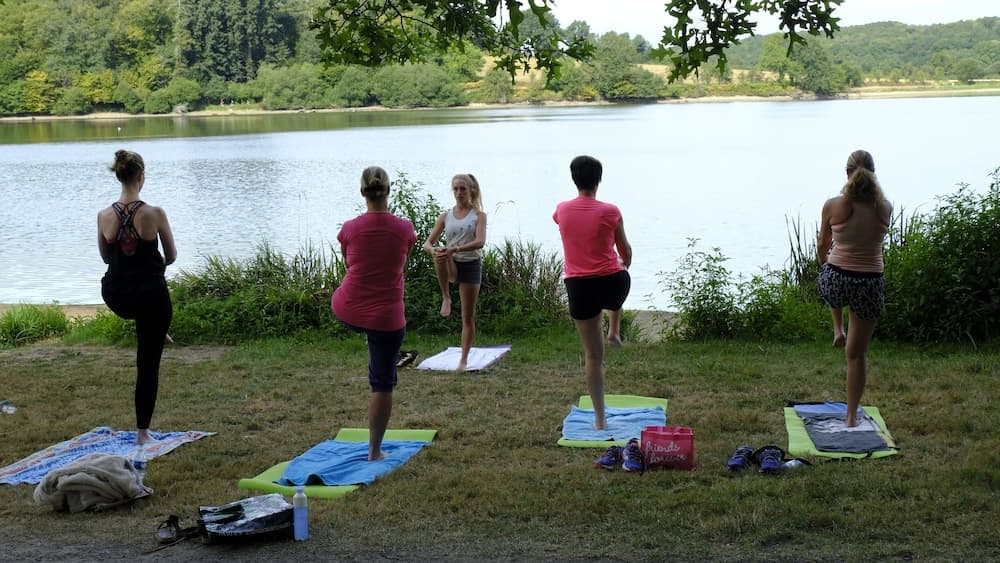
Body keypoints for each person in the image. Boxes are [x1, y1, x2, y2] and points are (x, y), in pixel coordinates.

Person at [332, 166, 417, 460]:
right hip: (385, 318)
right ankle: (374, 451)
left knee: (376, 339)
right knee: (382, 383)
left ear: (361, 192)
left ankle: (376, 345)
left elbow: (348, 262)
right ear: (388, 190)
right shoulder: (404, 228)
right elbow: (401, 256)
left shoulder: (349, 228)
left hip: (346, 308)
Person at [98, 149, 176, 445]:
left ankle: (157, 329)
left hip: (115, 294)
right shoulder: (154, 213)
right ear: (141, 177)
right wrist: (154, 262)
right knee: (147, 364)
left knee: (146, 306)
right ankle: (143, 433)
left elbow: (106, 257)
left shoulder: (104, 215)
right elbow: (171, 255)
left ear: (119, 176)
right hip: (148, 296)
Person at [553, 155, 632, 430]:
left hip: (579, 286)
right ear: (599, 180)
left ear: (574, 179)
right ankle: (614, 329)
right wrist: (624, 261)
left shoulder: (561, 210)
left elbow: (561, 221)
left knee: (593, 356)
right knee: (618, 271)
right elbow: (625, 252)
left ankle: (600, 420)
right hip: (612, 283)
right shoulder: (611, 211)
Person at [817, 149, 892, 428]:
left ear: (847, 173)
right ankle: (851, 417)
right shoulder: (884, 207)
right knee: (856, 355)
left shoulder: (834, 205)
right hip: (870, 282)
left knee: (829, 278)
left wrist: (824, 265)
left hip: (837, 278)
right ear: (874, 172)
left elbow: (824, 244)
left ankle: (838, 328)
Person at [423, 173, 488, 371]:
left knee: (467, 316)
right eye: (456, 189)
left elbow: (480, 242)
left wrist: (456, 248)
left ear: (471, 191)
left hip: (470, 264)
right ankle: (446, 297)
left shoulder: (478, 216)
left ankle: (464, 359)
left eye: (463, 189)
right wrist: (434, 249)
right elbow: (427, 243)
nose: (459, 193)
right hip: (450, 262)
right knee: (439, 253)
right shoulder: (445, 216)